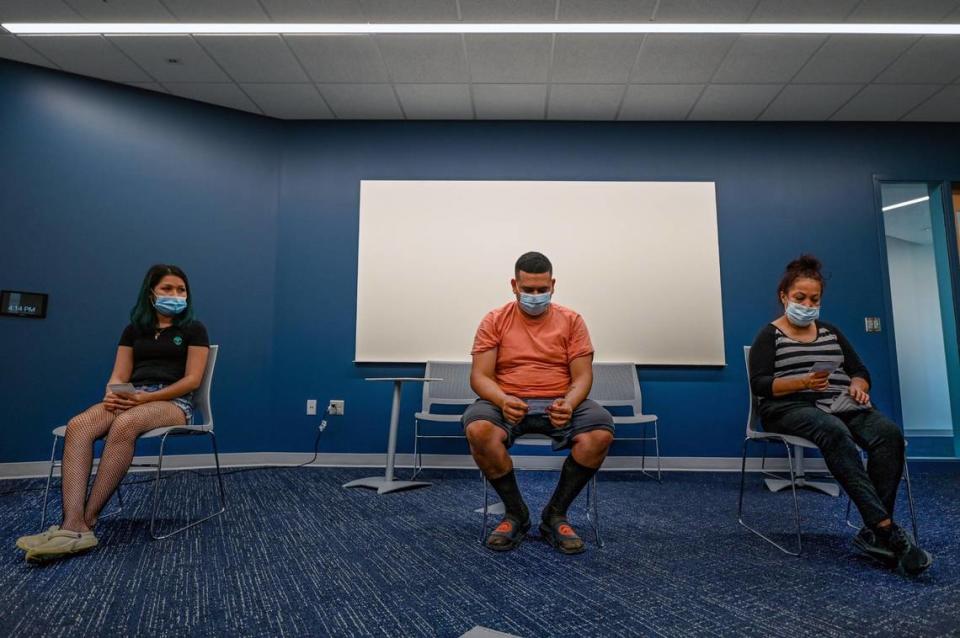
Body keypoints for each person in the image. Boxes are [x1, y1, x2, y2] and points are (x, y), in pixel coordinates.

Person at [749, 255, 932, 575]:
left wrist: (859, 387)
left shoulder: (831, 332)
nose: (807, 304)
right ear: (784, 297)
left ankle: (873, 533)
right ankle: (886, 529)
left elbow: (859, 370)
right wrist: (802, 381)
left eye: (814, 299)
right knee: (834, 431)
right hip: (789, 407)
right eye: (799, 298)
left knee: (888, 434)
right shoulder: (770, 335)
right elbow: (760, 384)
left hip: (841, 403)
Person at [16, 264, 210, 563]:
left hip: (173, 402)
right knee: (79, 425)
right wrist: (115, 393)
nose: (175, 295)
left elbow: (192, 380)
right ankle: (72, 524)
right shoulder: (133, 330)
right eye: (167, 289)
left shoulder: (193, 329)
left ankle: (87, 522)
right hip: (131, 394)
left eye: (181, 289)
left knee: (125, 424)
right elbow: (118, 373)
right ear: (151, 293)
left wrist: (146, 398)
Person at [463, 251, 614, 554]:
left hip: (560, 400)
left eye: (541, 289)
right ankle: (516, 513)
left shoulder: (572, 321)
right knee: (479, 429)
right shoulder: (494, 320)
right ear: (514, 285)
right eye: (528, 290)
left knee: (600, 433)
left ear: (553, 284)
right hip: (506, 400)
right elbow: (480, 377)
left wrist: (569, 403)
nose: (535, 296)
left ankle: (555, 515)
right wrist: (503, 399)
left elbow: (583, 377)